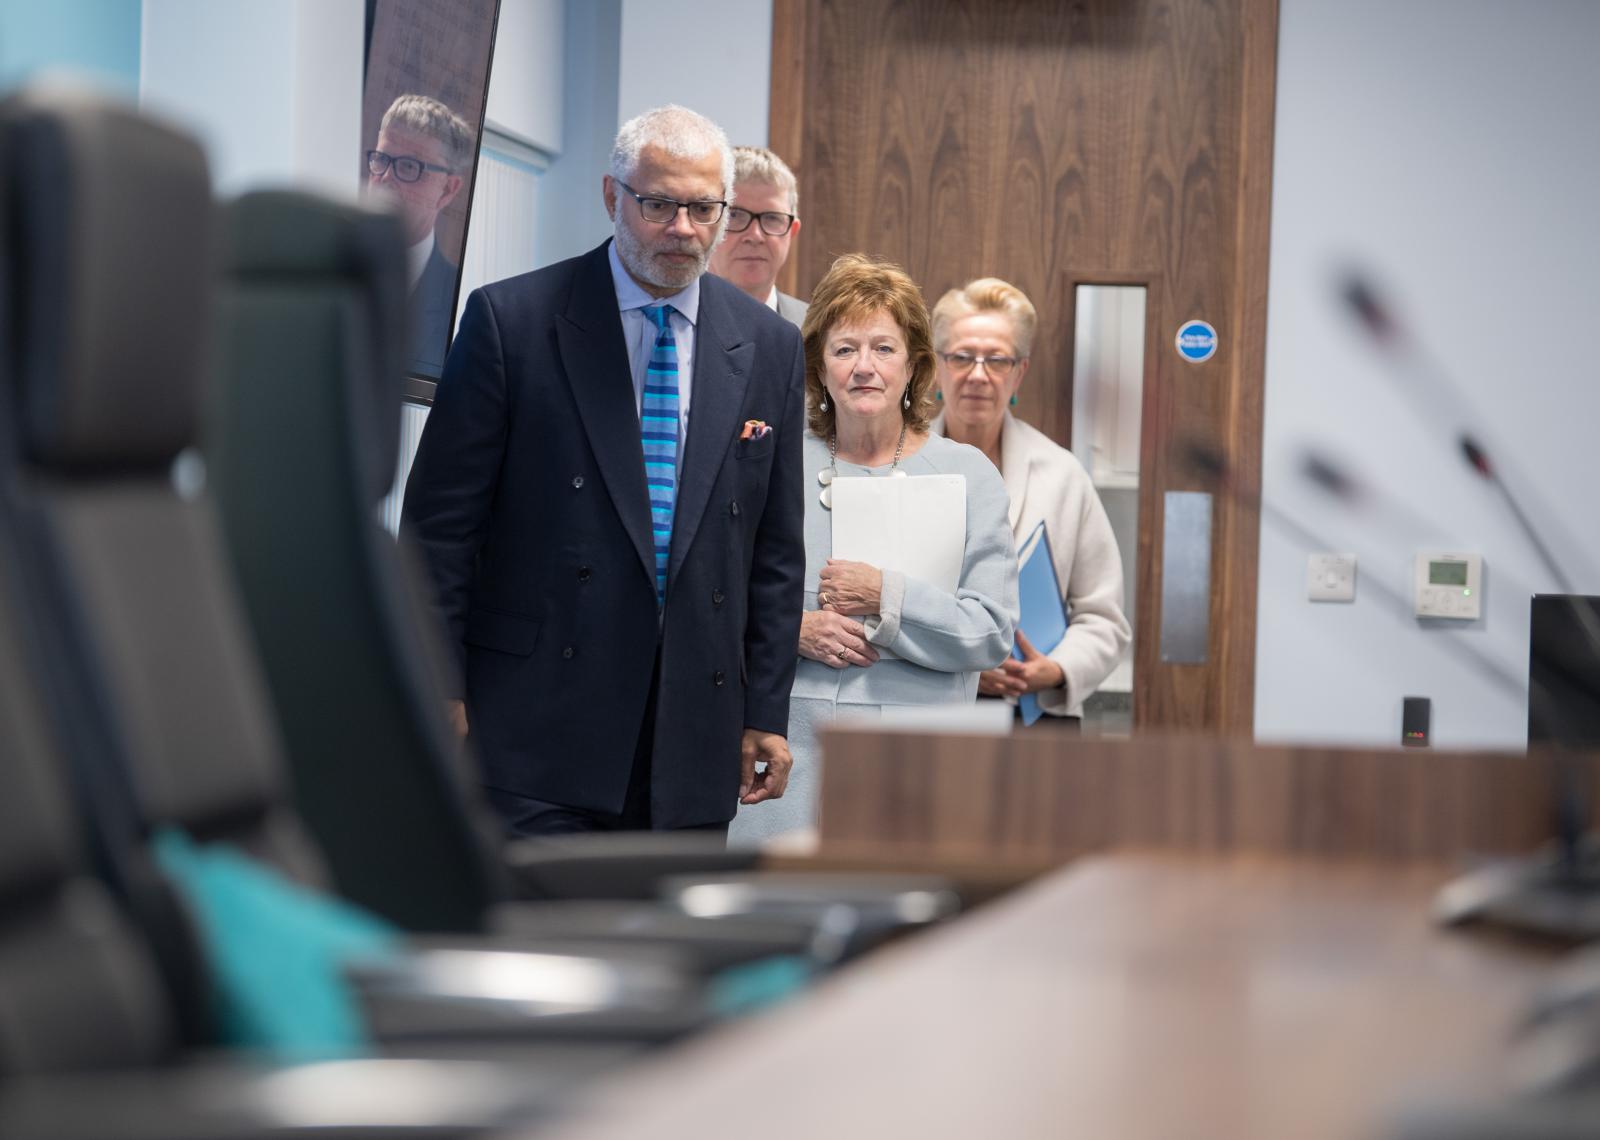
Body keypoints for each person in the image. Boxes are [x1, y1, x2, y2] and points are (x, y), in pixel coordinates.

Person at [402, 105, 806, 836]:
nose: (683, 229)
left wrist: (765, 711)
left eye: (703, 208)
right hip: (535, 724)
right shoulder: (512, 321)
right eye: (659, 204)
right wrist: (438, 682)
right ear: (613, 196)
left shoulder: (770, 347)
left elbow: (775, 554)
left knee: (674, 946)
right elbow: (439, 530)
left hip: (693, 730)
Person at [729, 254, 1018, 846]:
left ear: (914, 367)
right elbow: (714, 598)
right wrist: (789, 627)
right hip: (782, 755)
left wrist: (887, 596)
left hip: (919, 761)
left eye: (884, 349)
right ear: (818, 367)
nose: (864, 368)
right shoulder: (771, 460)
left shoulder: (968, 473)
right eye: (844, 349)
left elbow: (990, 632)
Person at [931, 278, 1131, 725]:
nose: (978, 374)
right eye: (962, 357)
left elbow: (1104, 618)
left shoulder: (1062, 475)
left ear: (1018, 372)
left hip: (1036, 719)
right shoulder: (901, 466)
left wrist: (1056, 669)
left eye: (997, 359)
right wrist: (965, 661)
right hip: (930, 713)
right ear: (937, 367)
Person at [366, 93, 472, 377]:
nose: (386, 178)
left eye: (409, 167)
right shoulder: (325, 275)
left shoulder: (462, 304)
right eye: (381, 160)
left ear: (448, 190)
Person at [708, 146, 807, 327]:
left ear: (792, 232)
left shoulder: (819, 331)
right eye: (736, 215)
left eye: (772, 218)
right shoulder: (670, 325)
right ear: (707, 223)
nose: (755, 235)